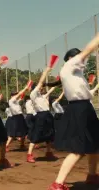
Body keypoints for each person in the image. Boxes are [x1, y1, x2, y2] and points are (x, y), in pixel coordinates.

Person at [49, 34, 99, 190]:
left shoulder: (77, 74)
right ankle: (57, 183)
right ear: (72, 58)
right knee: (78, 149)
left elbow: (88, 94)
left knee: (95, 145)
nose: (83, 59)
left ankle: (92, 175)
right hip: (79, 109)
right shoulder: (70, 66)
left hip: (85, 108)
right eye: (79, 56)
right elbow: (89, 49)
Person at [26, 67, 58, 163]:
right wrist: (45, 72)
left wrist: (57, 82)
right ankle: (29, 155)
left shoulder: (42, 96)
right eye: (39, 87)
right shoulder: (33, 94)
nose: (41, 87)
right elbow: (40, 82)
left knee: (49, 134)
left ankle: (48, 152)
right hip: (40, 116)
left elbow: (51, 90)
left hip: (48, 115)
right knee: (36, 135)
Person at [5, 86, 29, 151]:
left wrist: (25, 91)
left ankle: (22, 145)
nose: (16, 95)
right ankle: (6, 146)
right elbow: (19, 95)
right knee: (13, 133)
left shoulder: (15, 101)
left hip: (20, 117)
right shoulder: (11, 100)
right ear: (12, 96)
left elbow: (20, 97)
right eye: (15, 94)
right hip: (16, 117)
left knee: (24, 132)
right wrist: (24, 89)